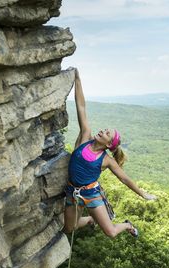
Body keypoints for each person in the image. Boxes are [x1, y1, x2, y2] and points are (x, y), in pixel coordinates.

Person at [62, 69, 157, 238]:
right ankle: (91, 220)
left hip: (91, 194)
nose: (103, 131)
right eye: (105, 130)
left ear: (108, 144)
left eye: (107, 134)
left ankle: (127, 225)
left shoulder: (106, 160)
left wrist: (143, 194)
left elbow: (124, 178)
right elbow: (81, 107)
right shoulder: (85, 137)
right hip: (72, 191)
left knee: (111, 232)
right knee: (69, 228)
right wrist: (77, 80)